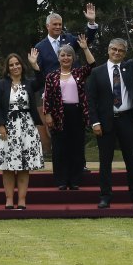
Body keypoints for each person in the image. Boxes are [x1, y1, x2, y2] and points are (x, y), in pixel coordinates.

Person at [85, 20, 133, 209]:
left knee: (131, 160)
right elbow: (90, 100)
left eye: (120, 51)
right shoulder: (97, 73)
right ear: (108, 50)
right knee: (105, 161)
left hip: (127, 119)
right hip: (105, 122)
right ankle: (105, 196)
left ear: (124, 53)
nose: (117, 53)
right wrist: (94, 122)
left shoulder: (129, 67)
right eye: (114, 49)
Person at [33, 6, 99, 152]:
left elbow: (85, 41)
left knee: (77, 133)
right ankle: (61, 167)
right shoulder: (39, 47)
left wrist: (92, 23)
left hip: (74, 93)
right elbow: (39, 72)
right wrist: (46, 94)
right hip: (53, 96)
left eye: (60, 24)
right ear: (47, 26)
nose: (58, 27)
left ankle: (80, 165)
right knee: (57, 134)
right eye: (54, 24)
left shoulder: (69, 39)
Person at [0, 49, 45, 210]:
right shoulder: (1, 85)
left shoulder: (29, 83)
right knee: (7, 167)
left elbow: (41, 82)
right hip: (6, 128)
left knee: (24, 166)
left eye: (17, 64)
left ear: (22, 65)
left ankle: (22, 200)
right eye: (11, 65)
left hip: (26, 128)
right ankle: (9, 200)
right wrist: (0, 125)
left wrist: (35, 64)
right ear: (7, 67)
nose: (14, 67)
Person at [41, 37, 96, 190]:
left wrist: (85, 48)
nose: (66, 58)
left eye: (69, 55)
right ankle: (61, 181)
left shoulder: (79, 72)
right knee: (59, 148)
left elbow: (92, 65)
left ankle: (75, 180)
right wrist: (47, 114)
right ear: (58, 58)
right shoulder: (51, 76)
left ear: (73, 58)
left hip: (77, 113)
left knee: (76, 147)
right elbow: (47, 98)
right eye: (63, 55)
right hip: (58, 114)